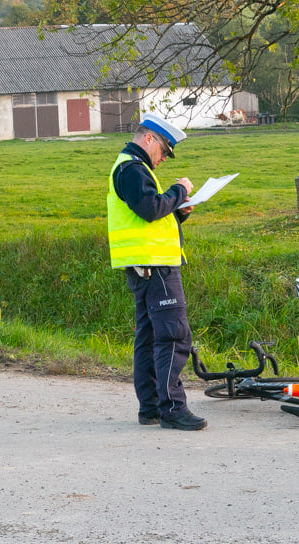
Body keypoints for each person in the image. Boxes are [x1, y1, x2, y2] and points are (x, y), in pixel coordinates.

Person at [107, 114, 207, 431]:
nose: (163, 158)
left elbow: (152, 216)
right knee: (174, 336)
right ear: (149, 138)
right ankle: (172, 409)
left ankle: (150, 407)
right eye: (164, 150)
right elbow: (150, 208)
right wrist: (179, 190)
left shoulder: (132, 168)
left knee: (149, 337)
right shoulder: (132, 169)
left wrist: (179, 212)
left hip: (146, 265)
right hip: (155, 268)